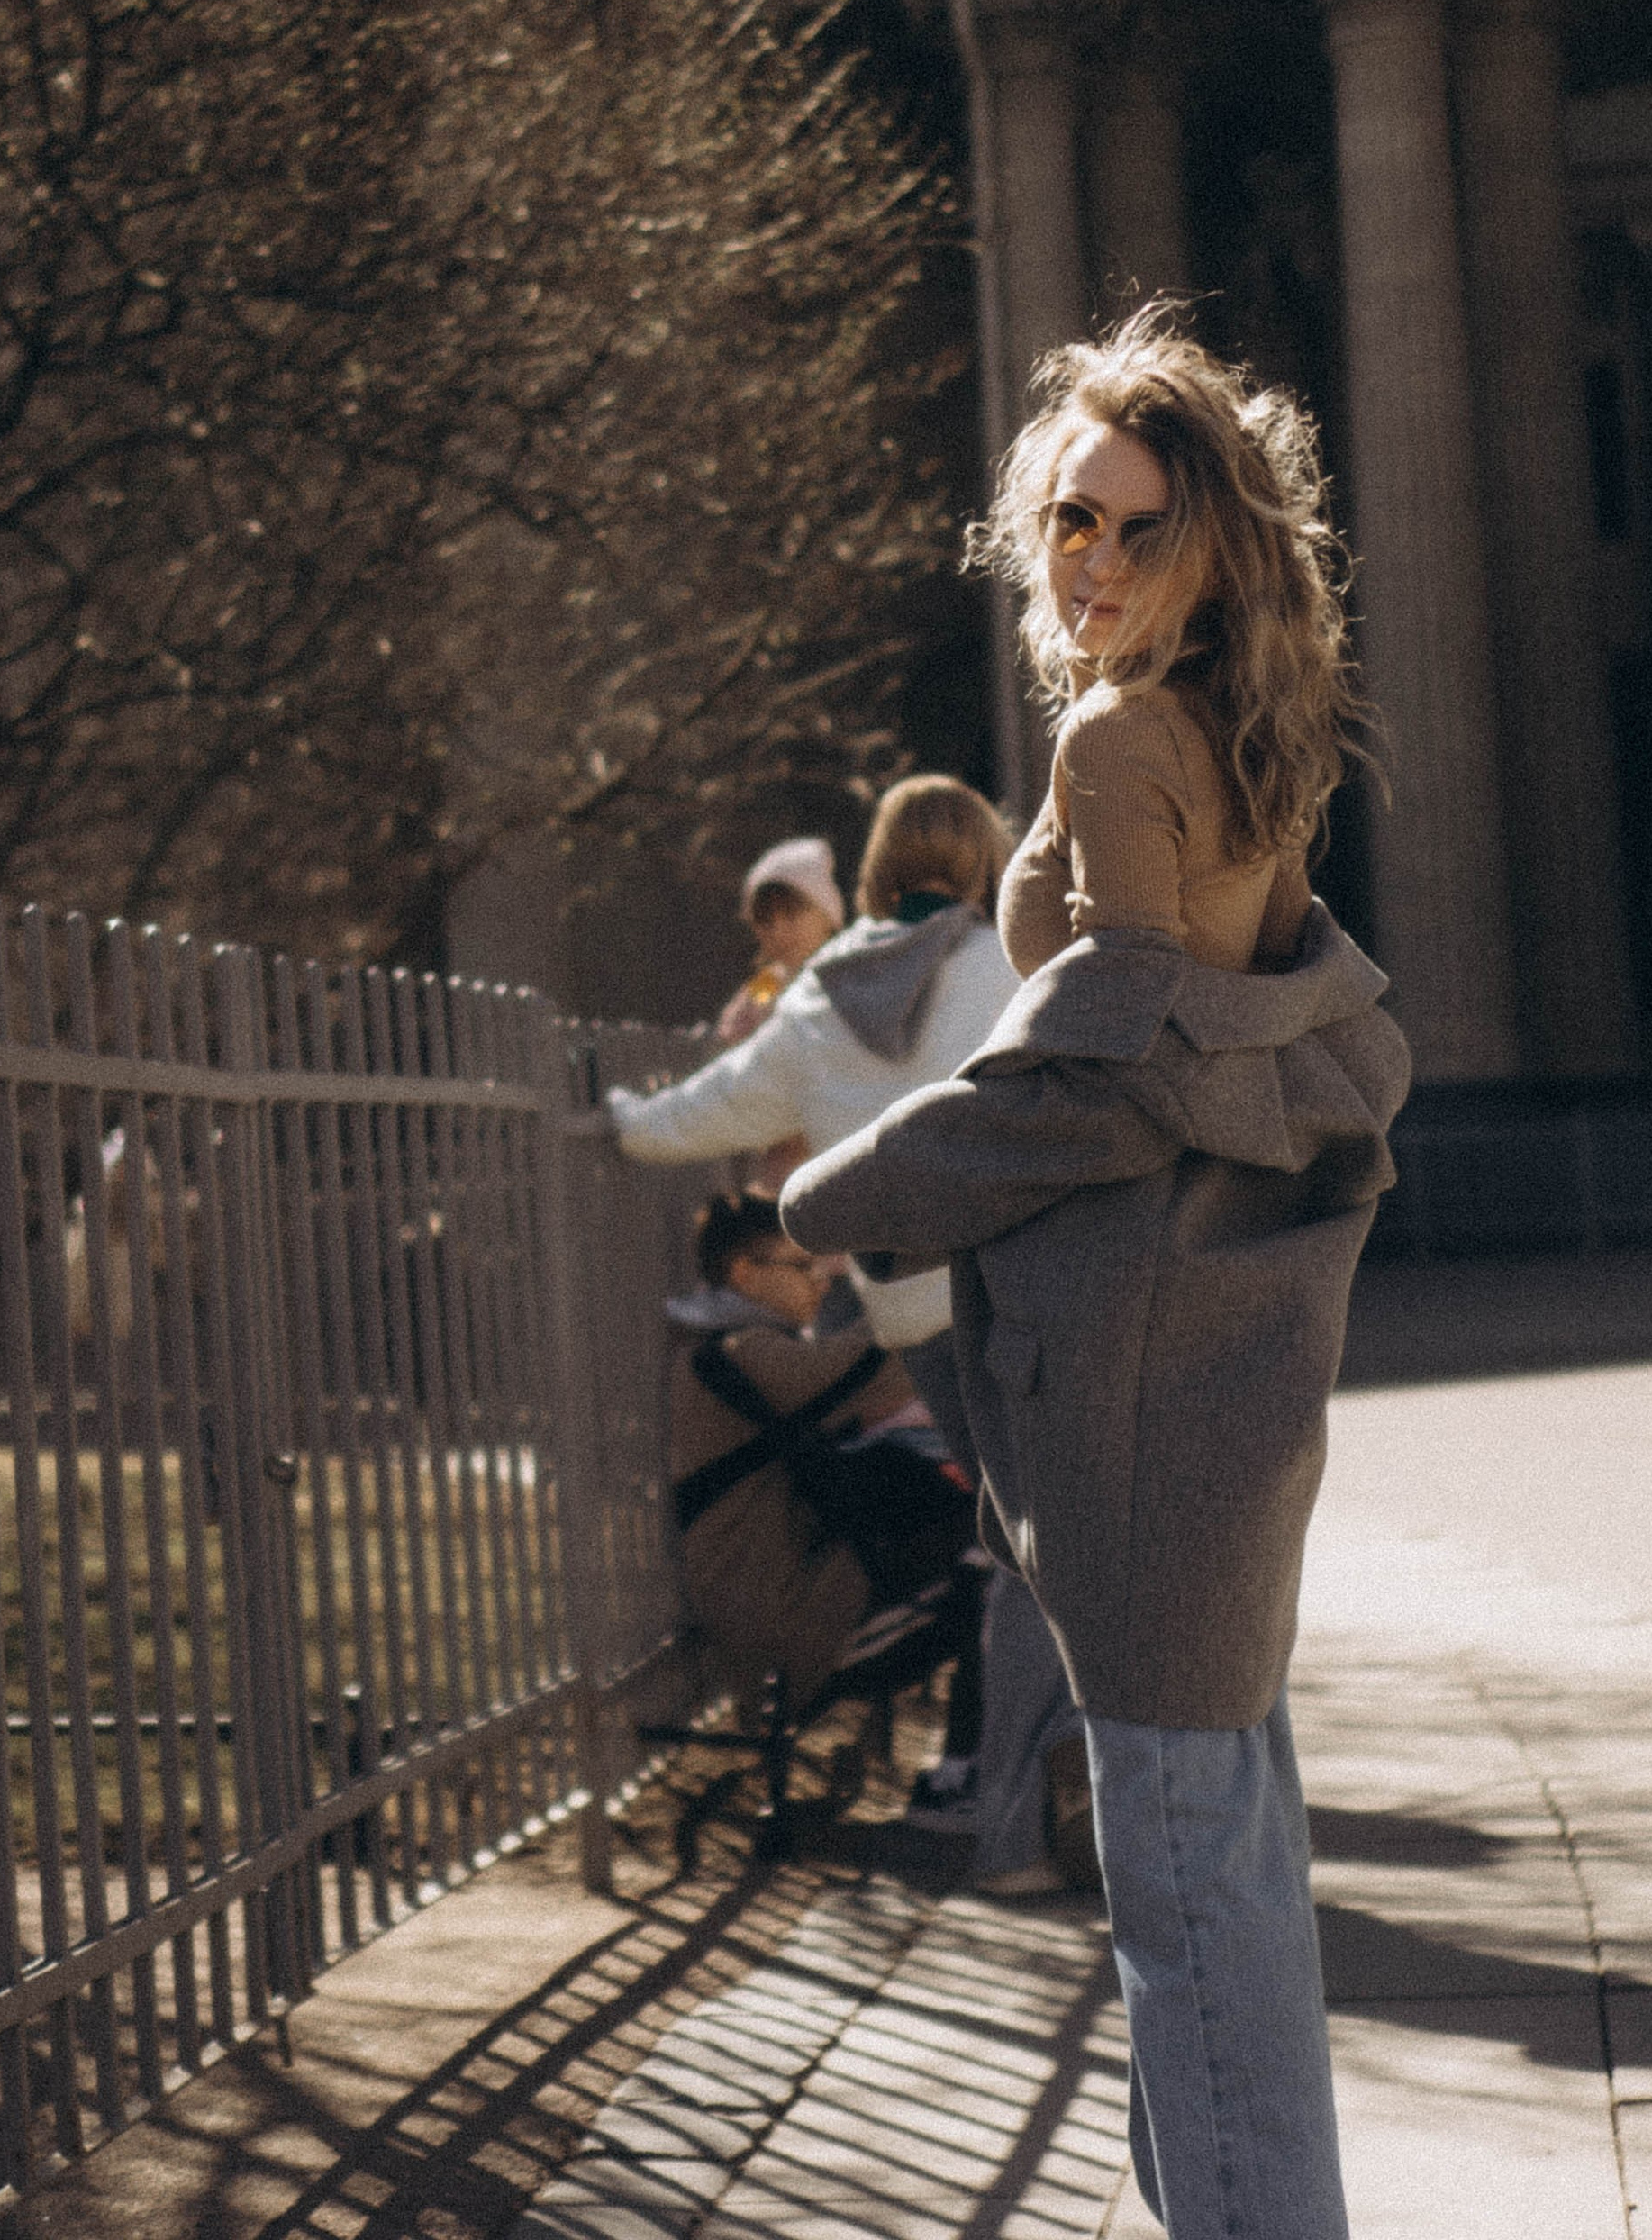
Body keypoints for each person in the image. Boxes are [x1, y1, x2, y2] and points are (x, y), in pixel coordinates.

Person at [784, 310, 1411, 2240]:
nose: (1097, 563)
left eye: (1140, 526)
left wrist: (845, 1191)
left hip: (1140, 1374)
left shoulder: (1122, 736)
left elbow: (1112, 1060)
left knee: (1187, 1897)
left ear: (1214, 541)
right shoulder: (1243, 738)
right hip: (1224, 1362)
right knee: (1229, 1863)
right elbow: (1265, 1029)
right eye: (1070, 520)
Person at [611, 777, 1092, 1884]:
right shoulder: (1006, 968)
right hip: (1021, 1292)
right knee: (1046, 1551)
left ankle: (1026, 1796)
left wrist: (621, 1118)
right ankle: (1021, 1821)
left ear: (874, 868)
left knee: (1022, 1543)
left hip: (912, 1312)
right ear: (979, 859)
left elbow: (701, 1114)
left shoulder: (818, 1000)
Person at [667, 1192, 978, 1728]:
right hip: (791, 1634)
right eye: (801, 1266)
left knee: (990, 1559)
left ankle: (979, 1761)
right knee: (1000, 1587)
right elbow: (863, 1368)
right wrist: (935, 1290)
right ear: (744, 1273)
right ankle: (971, 1766)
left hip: (788, 1604)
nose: (822, 1282)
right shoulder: (736, 1353)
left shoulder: (724, 1348)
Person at [713, 837, 846, 1045]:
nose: (779, 931)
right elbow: (730, 1037)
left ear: (827, 917)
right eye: (765, 920)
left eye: (792, 914)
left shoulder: (850, 976)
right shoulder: (769, 982)